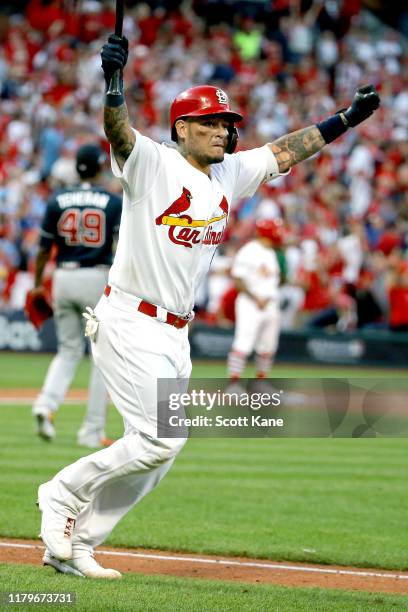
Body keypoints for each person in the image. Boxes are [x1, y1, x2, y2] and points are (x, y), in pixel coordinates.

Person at [36, 34, 380, 579]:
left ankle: (79, 544)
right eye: (211, 122)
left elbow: (288, 148)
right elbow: (118, 134)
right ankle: (59, 494)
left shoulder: (227, 173)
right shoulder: (151, 162)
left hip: (176, 333)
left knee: (163, 449)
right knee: (158, 438)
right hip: (129, 318)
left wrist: (345, 120)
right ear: (181, 129)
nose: (223, 129)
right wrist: (114, 84)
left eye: (226, 122)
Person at [31, 143, 122, 448]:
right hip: (95, 277)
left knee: (68, 350)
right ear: (99, 166)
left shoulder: (58, 199)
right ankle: (92, 431)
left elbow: (44, 247)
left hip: (63, 276)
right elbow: (120, 247)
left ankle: (46, 405)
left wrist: (37, 283)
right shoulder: (111, 201)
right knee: (102, 357)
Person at [227, 218, 284, 382]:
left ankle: (260, 383)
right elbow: (238, 279)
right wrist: (255, 297)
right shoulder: (249, 250)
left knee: (268, 347)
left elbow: (273, 280)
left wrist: (267, 297)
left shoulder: (272, 253)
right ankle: (234, 384)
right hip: (250, 303)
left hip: (270, 303)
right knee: (243, 344)